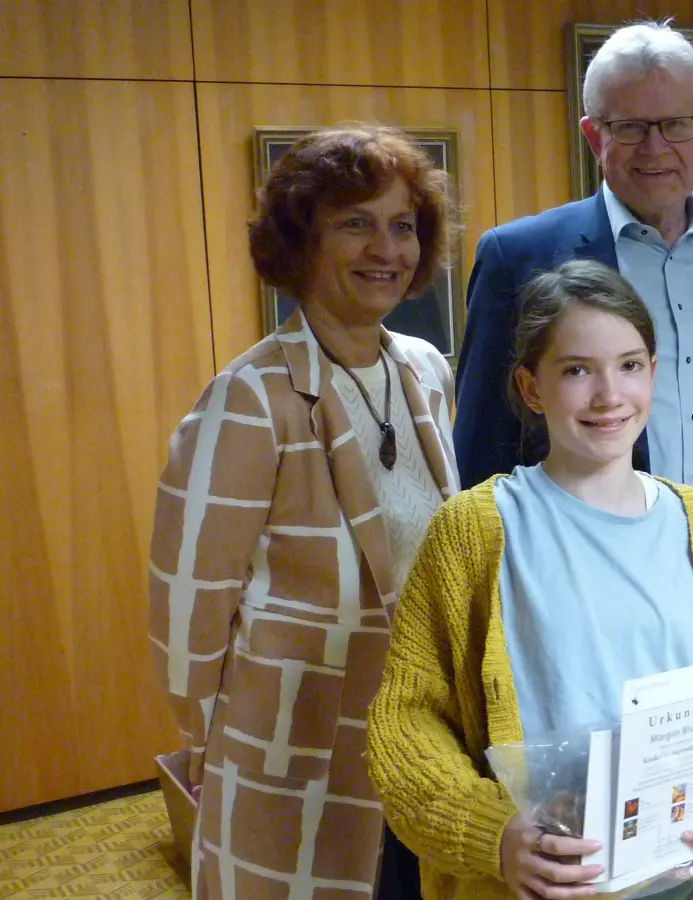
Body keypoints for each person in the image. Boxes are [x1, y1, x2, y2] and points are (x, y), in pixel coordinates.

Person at [367, 259, 693, 900]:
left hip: (676, 871)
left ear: (653, 373)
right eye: (576, 370)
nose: (608, 395)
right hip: (534, 880)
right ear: (531, 388)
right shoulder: (477, 530)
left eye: (629, 365)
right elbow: (405, 721)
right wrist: (495, 833)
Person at [147, 125, 461, 900]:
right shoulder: (251, 399)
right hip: (295, 743)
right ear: (300, 241)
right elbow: (187, 606)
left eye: (401, 225)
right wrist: (210, 742)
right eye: (354, 223)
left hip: (425, 734)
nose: (384, 247)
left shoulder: (424, 371)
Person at [451, 20, 693, 645]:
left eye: (677, 123)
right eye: (631, 128)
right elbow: (484, 450)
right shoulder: (521, 257)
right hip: (580, 597)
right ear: (594, 134)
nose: (657, 148)